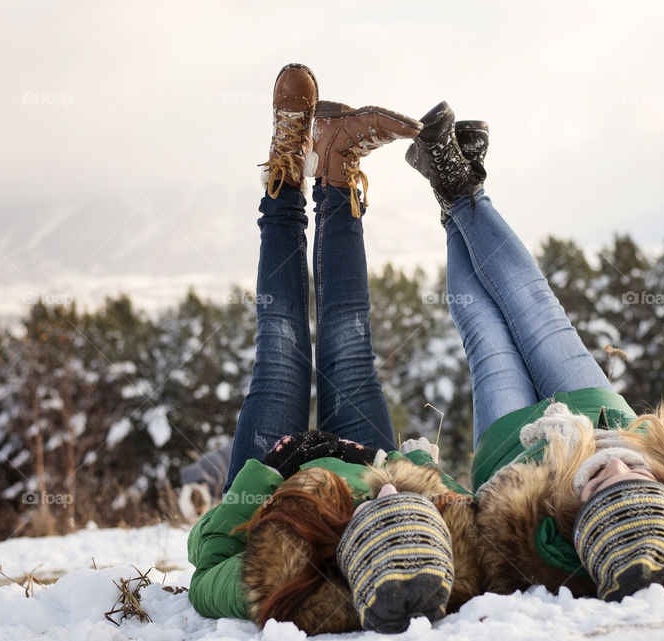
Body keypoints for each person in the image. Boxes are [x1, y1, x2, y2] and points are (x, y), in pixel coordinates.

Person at [405, 101, 664, 600]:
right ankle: (460, 187)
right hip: (595, 407)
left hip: (508, 441)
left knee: (482, 326)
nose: (619, 463)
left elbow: (460, 534)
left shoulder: (528, 548)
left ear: (576, 521)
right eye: (643, 475)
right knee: (533, 305)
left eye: (603, 481)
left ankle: (455, 188)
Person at [186, 65, 484, 635]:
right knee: (349, 335)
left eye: (383, 509)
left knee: (280, 340)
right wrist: (413, 473)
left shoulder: (285, 575)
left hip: (272, 472)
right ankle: (335, 167)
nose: (393, 496)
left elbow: (206, 566)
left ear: (353, 549)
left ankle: (286, 166)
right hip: (365, 455)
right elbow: (460, 501)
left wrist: (263, 484)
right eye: (406, 507)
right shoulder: (428, 534)